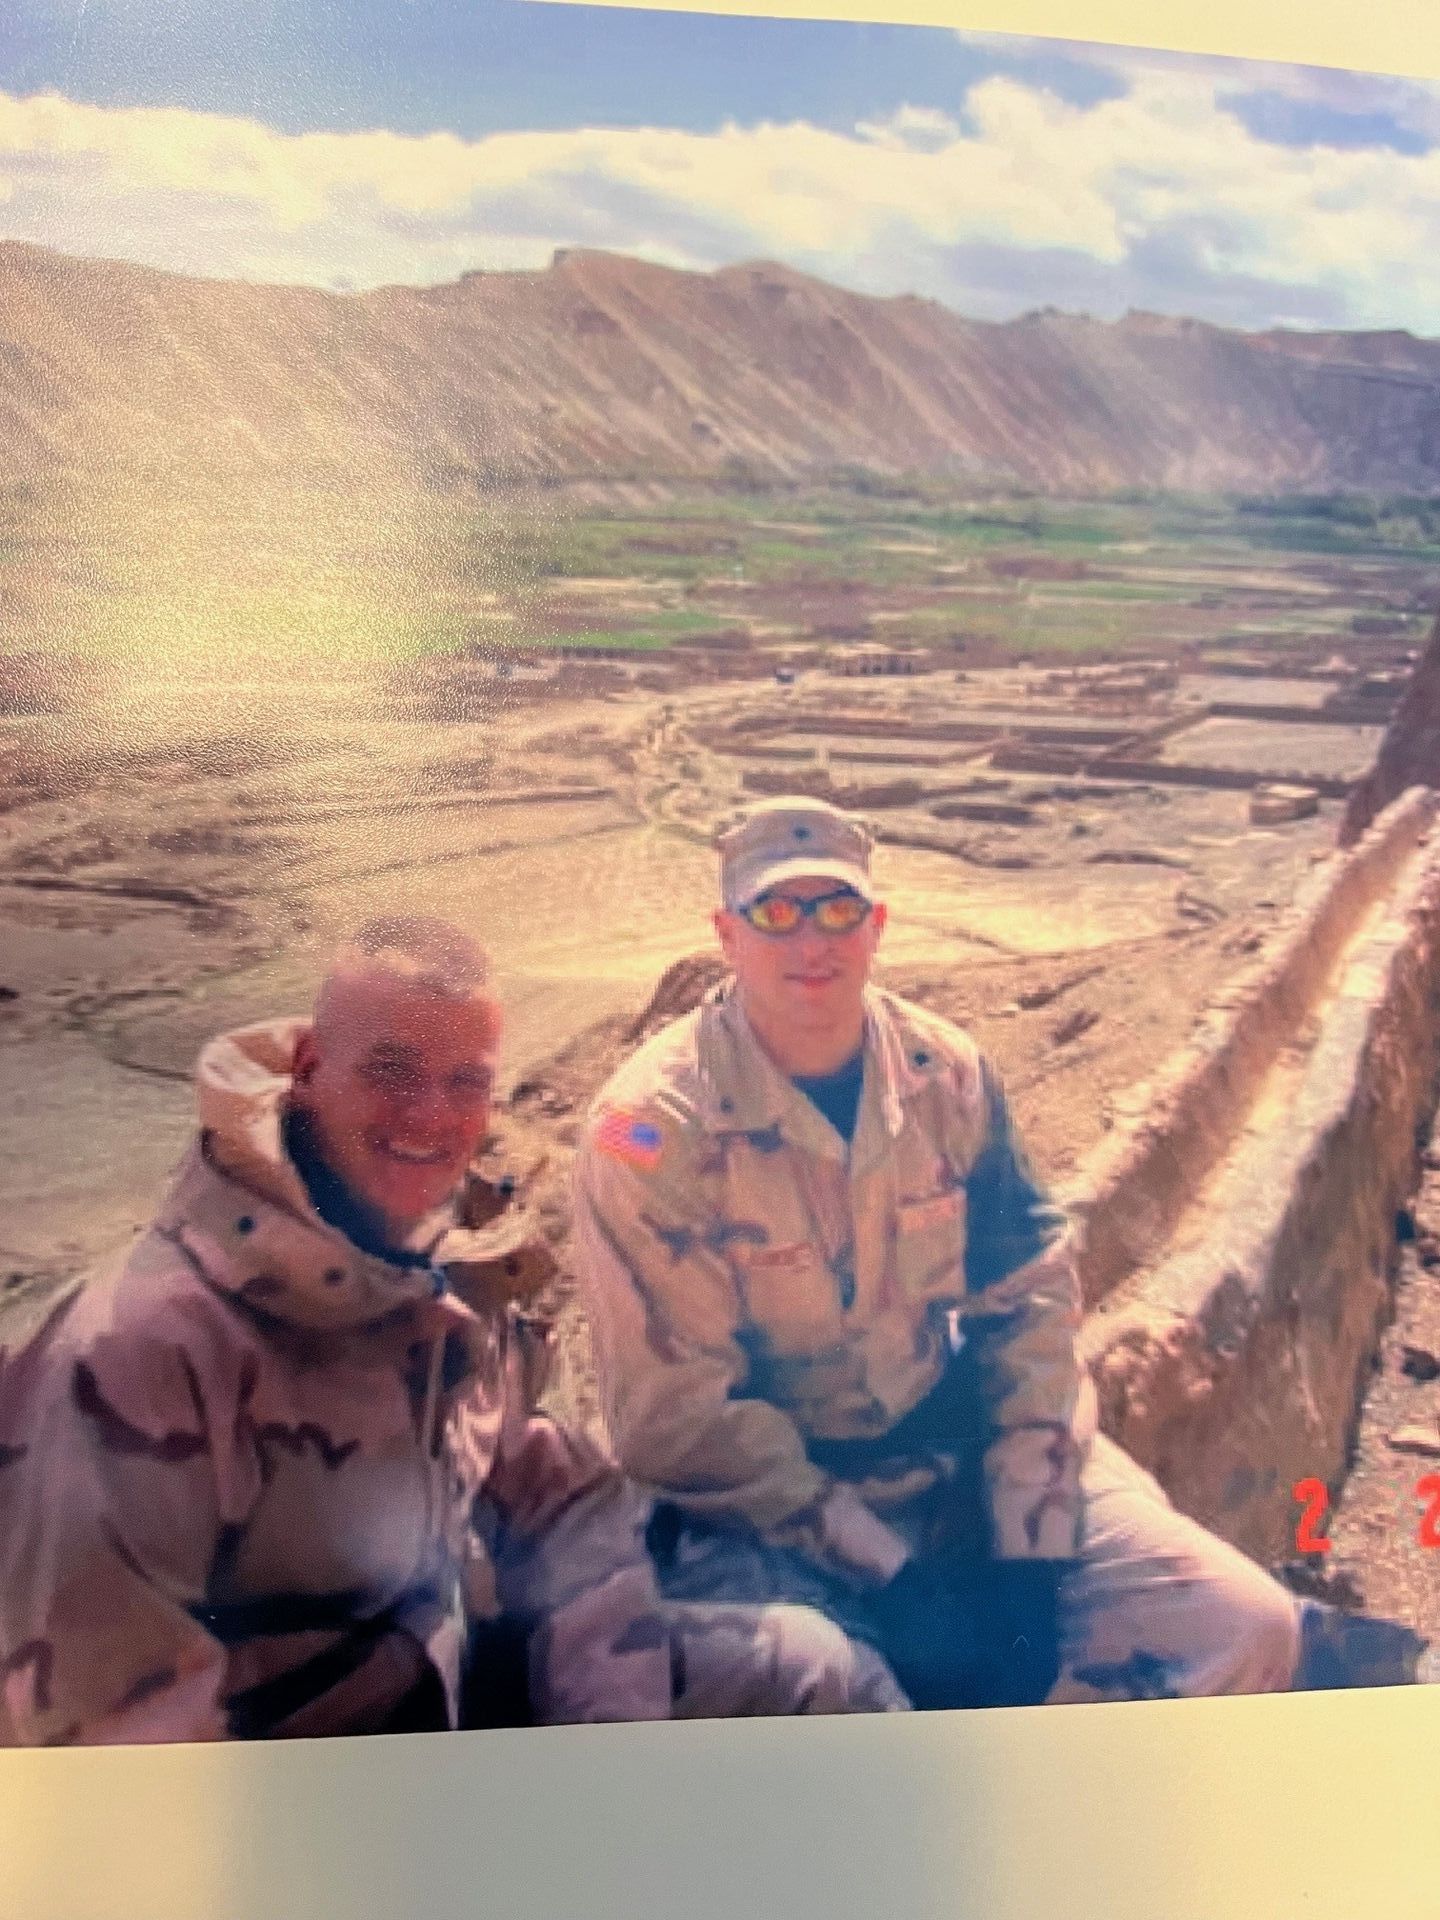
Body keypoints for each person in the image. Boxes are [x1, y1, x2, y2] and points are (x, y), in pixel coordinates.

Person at [0, 914, 900, 1745]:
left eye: (465, 1082)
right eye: (391, 1070)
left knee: (809, 1667)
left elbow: (554, 1493)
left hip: (450, 1707)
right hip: (279, 1809)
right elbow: (113, 1753)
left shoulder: (443, 1285)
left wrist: (605, 1724)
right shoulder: (140, 1353)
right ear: (310, 1068)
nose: (432, 1116)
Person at [571, 798, 1306, 1710]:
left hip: (951, 1467)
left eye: (837, 910)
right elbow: (680, 1423)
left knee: (1243, 1626)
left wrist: (1026, 1548)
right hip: (759, 1517)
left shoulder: (945, 1074)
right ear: (728, 933)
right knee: (861, 1709)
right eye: (776, 911)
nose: (812, 940)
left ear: (877, 925)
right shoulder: (648, 1131)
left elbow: (1030, 1298)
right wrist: (898, 1582)